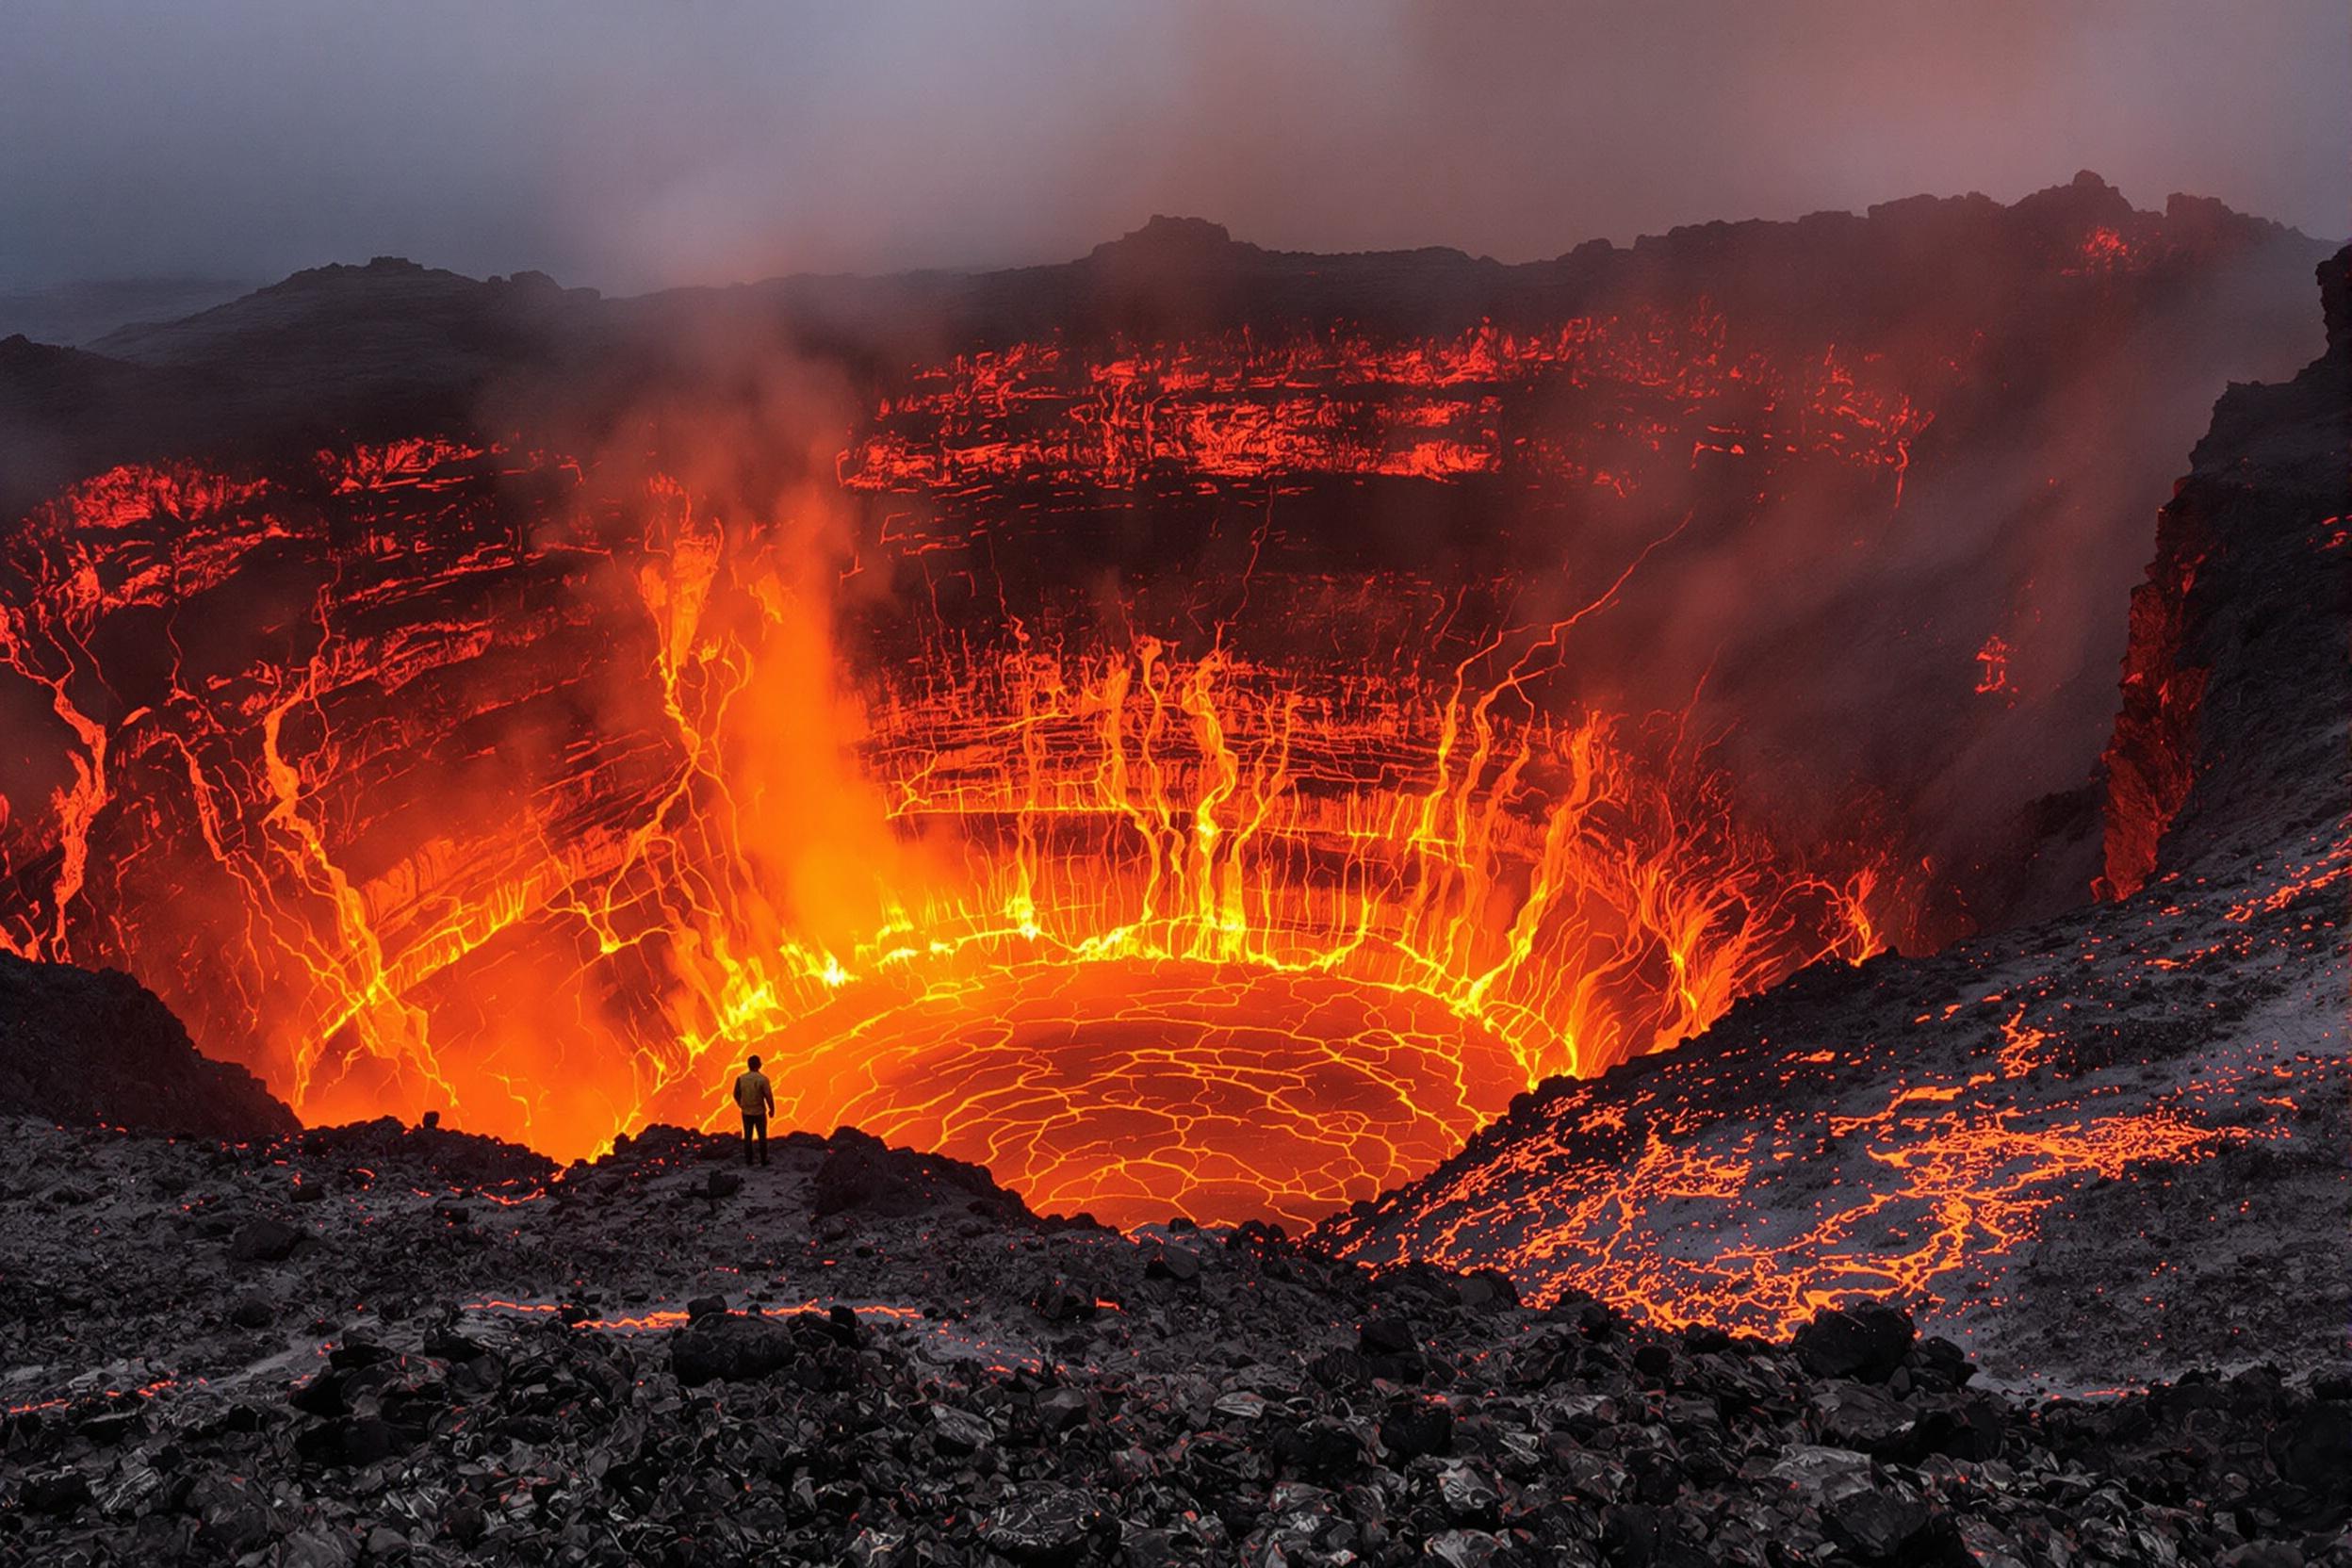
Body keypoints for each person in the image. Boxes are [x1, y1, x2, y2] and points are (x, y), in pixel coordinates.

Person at [731, 1054, 776, 1167]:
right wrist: (772, 1109)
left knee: (747, 1137)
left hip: (746, 1112)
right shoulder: (763, 1079)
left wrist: (741, 1104)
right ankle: (763, 1161)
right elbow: (768, 1096)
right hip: (759, 1112)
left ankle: (749, 1162)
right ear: (759, 1065)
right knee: (762, 1137)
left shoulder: (741, 1078)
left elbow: (735, 1094)